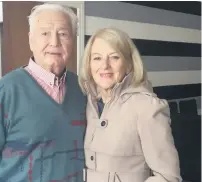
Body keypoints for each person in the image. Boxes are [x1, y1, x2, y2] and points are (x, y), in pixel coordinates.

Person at [0, 3, 86, 182]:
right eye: (45, 33)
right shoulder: (5, 92)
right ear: (31, 40)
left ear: (73, 41)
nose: (54, 42)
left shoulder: (82, 89)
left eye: (63, 34)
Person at [78, 28, 182, 182]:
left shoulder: (147, 107)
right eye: (97, 58)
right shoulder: (88, 103)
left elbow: (168, 177)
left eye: (114, 57)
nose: (105, 65)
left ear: (128, 64)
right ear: (89, 64)